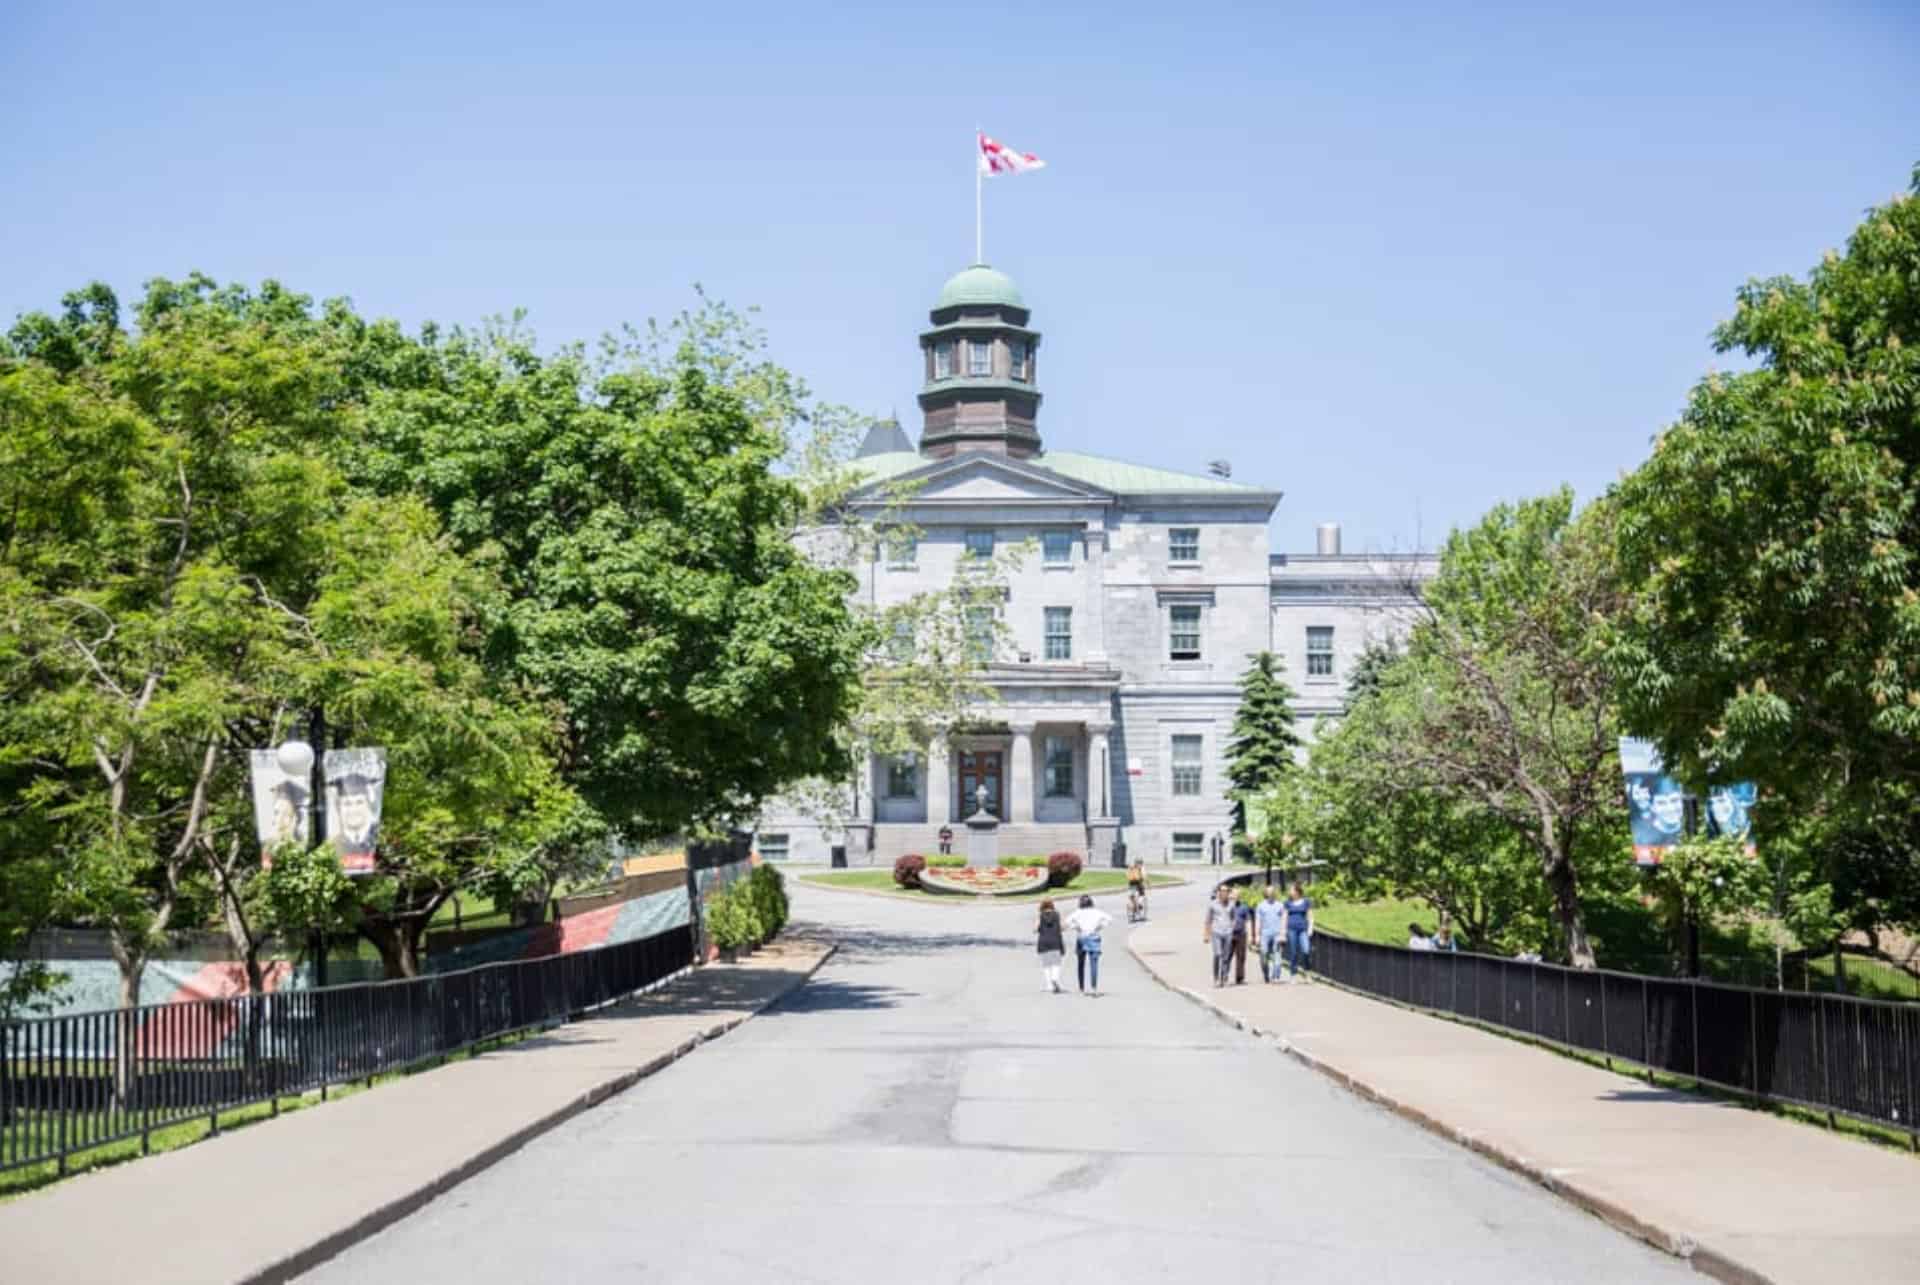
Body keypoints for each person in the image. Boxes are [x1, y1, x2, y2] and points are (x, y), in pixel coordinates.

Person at [1067, 895, 1111, 996]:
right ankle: (1094, 988)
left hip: (1081, 936)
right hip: (1093, 936)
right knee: (1093, 964)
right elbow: (1109, 919)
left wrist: (1076, 927)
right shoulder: (1096, 912)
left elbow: (1068, 921)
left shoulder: (1078, 912)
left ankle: (1081, 987)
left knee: (1080, 964)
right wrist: (1099, 927)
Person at [1203, 884, 1237, 988]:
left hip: (1228, 932)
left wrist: (1232, 928)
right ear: (1219, 893)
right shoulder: (1213, 905)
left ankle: (1225, 978)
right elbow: (1208, 920)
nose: (1224, 893)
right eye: (1222, 891)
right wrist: (1206, 934)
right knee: (1218, 954)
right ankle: (1216, 978)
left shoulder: (1231, 905)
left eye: (1226, 891)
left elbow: (1233, 917)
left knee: (1226, 957)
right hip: (1216, 932)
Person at [1255, 885, 1287, 982]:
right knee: (1263, 954)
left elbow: (1284, 919)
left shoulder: (1280, 905)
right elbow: (1258, 921)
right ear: (1265, 893)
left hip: (1277, 933)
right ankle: (1266, 973)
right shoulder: (1260, 906)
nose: (1271, 893)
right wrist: (1257, 935)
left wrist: (1283, 933)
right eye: (1269, 892)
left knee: (1277, 954)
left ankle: (1276, 976)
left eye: (1272, 891)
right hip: (1265, 933)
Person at [1283, 883, 1313, 981]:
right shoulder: (1287, 902)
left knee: (1306, 950)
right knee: (1294, 952)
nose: (1290, 892)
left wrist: (1310, 928)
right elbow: (1285, 917)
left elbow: (1310, 915)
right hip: (1292, 929)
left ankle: (1307, 972)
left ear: (1297, 891)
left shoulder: (1306, 902)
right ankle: (1293, 974)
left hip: (1303, 929)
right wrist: (1283, 930)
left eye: (1291, 890)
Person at [1035, 899, 1066, 993]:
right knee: (1056, 963)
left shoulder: (1040, 916)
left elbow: (1035, 929)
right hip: (1055, 941)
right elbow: (1062, 927)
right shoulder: (1057, 915)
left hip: (1043, 941)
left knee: (1046, 965)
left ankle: (1049, 985)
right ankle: (1055, 978)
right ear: (1052, 906)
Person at [1230, 893, 1253, 984]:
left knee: (1241, 956)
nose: (1235, 897)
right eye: (1233, 896)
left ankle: (1240, 978)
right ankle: (1223, 975)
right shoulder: (1227, 906)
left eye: (1237, 896)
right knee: (1227, 956)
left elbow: (1248, 920)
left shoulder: (1244, 907)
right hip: (1229, 934)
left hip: (1241, 933)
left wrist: (1250, 935)